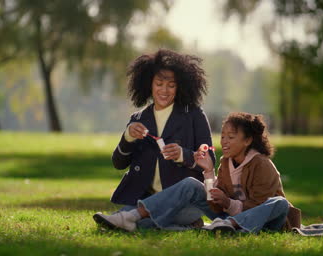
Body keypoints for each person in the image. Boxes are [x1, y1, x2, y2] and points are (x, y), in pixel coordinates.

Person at [94, 112, 301, 233]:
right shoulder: (226, 162)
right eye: (224, 136)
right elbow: (214, 202)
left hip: (265, 222)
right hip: (225, 220)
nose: (224, 142)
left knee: (279, 203)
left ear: (248, 141)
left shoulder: (261, 165)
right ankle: (131, 217)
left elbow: (258, 205)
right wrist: (209, 174)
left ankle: (227, 226)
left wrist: (228, 204)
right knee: (193, 184)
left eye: (232, 137)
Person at [106, 49, 216, 228]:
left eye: (171, 85)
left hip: (185, 203)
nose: (164, 90)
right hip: (146, 200)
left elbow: (210, 160)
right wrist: (127, 137)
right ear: (149, 84)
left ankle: (136, 219)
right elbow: (118, 163)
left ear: (180, 87)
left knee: (131, 223)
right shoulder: (138, 119)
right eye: (159, 84)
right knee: (134, 224)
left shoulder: (194, 114)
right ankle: (186, 226)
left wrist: (183, 155)